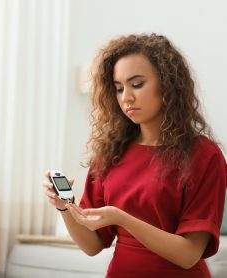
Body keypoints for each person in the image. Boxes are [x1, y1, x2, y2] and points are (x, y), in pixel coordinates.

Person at [43, 33, 227, 277]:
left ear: (168, 83)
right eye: (118, 88)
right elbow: (93, 245)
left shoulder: (204, 155)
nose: (125, 97)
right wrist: (65, 208)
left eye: (137, 84)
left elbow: (188, 254)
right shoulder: (111, 151)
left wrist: (123, 218)